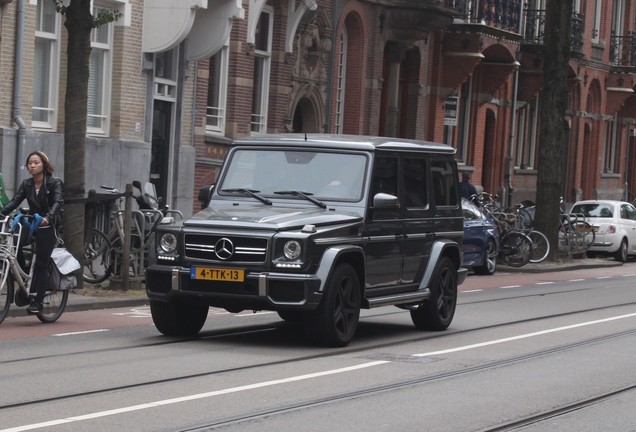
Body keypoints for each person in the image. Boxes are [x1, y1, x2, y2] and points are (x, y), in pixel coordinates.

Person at [0, 151, 63, 313]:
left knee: (42, 265)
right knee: (13, 244)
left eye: (36, 162)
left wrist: (48, 218)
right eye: (30, 163)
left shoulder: (54, 183)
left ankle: (38, 301)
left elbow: (57, 202)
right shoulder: (27, 184)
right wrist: (2, 214)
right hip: (32, 223)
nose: (32, 165)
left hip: (47, 226)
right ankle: (24, 272)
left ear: (44, 165)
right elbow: (15, 201)